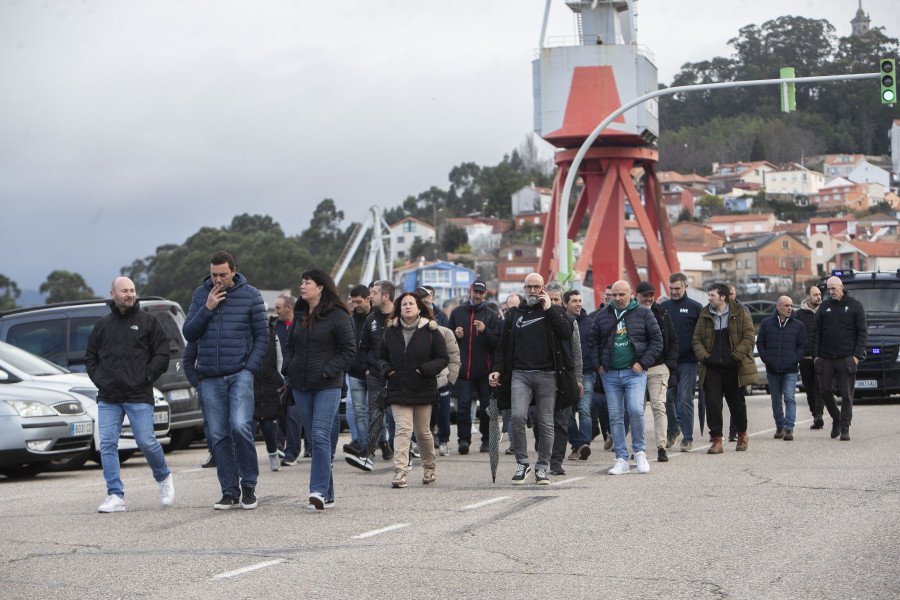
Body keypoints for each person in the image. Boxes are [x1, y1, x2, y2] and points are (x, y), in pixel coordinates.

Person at [183, 251, 268, 510]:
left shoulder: (251, 295)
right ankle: (229, 490)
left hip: (240, 373)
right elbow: (189, 332)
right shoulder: (201, 295)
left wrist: (250, 368)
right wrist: (207, 307)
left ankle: (249, 485)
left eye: (222, 274)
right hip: (210, 377)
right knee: (218, 435)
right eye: (213, 275)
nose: (217, 279)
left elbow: (263, 336)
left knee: (240, 425)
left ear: (233, 271)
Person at [85, 277, 173, 513]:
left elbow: (162, 355)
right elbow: (90, 358)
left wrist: (144, 378)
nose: (130, 294)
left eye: (132, 290)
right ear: (113, 294)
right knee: (107, 445)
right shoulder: (102, 325)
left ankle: (163, 477)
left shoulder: (148, 322)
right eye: (124, 290)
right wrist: (101, 381)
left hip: (138, 394)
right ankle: (115, 495)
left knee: (146, 441)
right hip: (109, 397)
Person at [490, 272, 575, 485]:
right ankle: (523, 463)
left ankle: (542, 467)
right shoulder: (515, 314)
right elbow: (502, 347)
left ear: (543, 288)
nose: (532, 291)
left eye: (536, 287)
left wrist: (550, 309)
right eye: (528, 287)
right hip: (520, 374)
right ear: (524, 288)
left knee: (545, 422)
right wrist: (497, 370)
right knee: (518, 417)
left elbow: (566, 333)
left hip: (547, 375)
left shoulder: (552, 312)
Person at [283, 269, 356, 509]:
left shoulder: (338, 315)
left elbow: (348, 352)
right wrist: (289, 367)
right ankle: (328, 492)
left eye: (307, 283)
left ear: (321, 287)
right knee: (315, 441)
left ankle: (317, 492)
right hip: (301, 386)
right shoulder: (301, 312)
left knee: (321, 436)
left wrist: (327, 370)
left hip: (327, 385)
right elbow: (290, 345)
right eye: (301, 282)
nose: (302, 287)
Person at [590, 280, 662, 475]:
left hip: (634, 373)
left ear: (631, 294)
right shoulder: (603, 315)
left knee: (635, 410)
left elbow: (657, 341)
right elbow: (593, 341)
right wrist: (598, 366)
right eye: (614, 295)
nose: (617, 299)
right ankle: (621, 458)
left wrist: (642, 363)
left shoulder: (644, 313)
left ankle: (639, 452)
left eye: (621, 295)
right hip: (610, 373)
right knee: (615, 416)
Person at [379, 292, 449, 487]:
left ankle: (429, 467)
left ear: (419, 308)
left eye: (411, 304)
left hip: (423, 388)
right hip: (397, 388)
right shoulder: (390, 331)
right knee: (402, 430)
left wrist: (424, 370)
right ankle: (400, 472)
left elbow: (443, 358)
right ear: (399, 308)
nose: (407, 307)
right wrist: (387, 371)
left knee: (423, 432)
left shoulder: (431, 330)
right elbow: (381, 357)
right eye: (403, 304)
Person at [692, 282, 756, 454]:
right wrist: (706, 357)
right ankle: (717, 439)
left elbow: (749, 337)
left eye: (712, 295)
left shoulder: (739, 312)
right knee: (712, 403)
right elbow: (696, 339)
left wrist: (735, 356)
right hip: (711, 368)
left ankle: (741, 434)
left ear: (723, 297)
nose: (709, 298)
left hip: (733, 367)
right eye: (709, 295)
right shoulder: (705, 314)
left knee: (737, 403)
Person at [811, 276, 867, 441]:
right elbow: (816, 332)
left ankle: (844, 427)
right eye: (829, 289)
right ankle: (835, 417)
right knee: (825, 390)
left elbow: (862, 332)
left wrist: (856, 356)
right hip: (826, 357)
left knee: (846, 394)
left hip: (846, 358)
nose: (831, 292)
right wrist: (816, 356)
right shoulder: (824, 307)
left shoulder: (855, 306)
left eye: (834, 288)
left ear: (841, 287)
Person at [349, 279, 396, 467]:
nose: (371, 296)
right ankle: (367, 455)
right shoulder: (371, 319)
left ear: (386, 296)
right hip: (375, 376)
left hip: (397, 376)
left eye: (375, 292)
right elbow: (363, 348)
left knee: (398, 418)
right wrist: (367, 369)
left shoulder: (400, 317)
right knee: (375, 415)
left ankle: (405, 452)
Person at [449, 280, 499, 454]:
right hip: (464, 371)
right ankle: (463, 440)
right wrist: (457, 336)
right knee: (462, 406)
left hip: (485, 370)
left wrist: (485, 330)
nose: (477, 295)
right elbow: (447, 342)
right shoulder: (457, 313)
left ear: (485, 294)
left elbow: (497, 343)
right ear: (469, 292)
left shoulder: (491, 315)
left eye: (481, 293)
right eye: (474, 292)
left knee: (486, 407)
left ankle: (486, 439)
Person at [413, 287, 460, 457]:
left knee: (443, 414)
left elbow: (454, 357)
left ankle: (444, 441)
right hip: (421, 382)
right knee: (420, 415)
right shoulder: (412, 335)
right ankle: (419, 441)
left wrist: (450, 379)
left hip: (442, 381)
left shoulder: (445, 332)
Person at [634, 281, 678, 463]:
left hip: (658, 367)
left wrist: (669, 365)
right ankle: (639, 448)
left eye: (651, 294)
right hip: (635, 368)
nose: (649, 298)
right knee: (637, 410)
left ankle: (661, 447)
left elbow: (673, 340)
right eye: (645, 295)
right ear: (636, 296)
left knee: (659, 406)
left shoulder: (662, 313)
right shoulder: (629, 314)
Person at [542, 281, 582, 476]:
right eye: (550, 299)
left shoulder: (570, 322)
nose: (554, 303)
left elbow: (577, 353)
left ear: (563, 302)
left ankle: (556, 462)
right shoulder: (538, 320)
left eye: (557, 299)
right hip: (541, 377)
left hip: (565, 378)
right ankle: (543, 458)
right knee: (541, 421)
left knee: (561, 422)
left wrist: (578, 379)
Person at [660, 272, 703, 452]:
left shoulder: (695, 307)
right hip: (669, 361)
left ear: (685, 287)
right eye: (671, 288)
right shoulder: (664, 307)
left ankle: (687, 437)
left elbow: (702, 334)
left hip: (688, 361)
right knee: (667, 398)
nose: (674, 291)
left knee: (685, 398)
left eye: (677, 288)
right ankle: (673, 429)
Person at [756, 296, 806, 441]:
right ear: (778, 307)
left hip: (790, 369)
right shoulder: (766, 324)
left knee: (790, 398)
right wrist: (767, 359)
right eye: (786, 305)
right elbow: (760, 343)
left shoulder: (798, 325)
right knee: (776, 400)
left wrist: (795, 360)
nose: (789, 308)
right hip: (773, 370)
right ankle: (780, 426)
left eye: (791, 305)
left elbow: (802, 345)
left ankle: (789, 428)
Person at [794, 284, 837, 430]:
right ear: (807, 297)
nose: (819, 297)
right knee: (809, 388)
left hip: (822, 358)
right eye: (815, 295)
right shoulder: (798, 315)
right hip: (805, 358)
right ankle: (815, 415)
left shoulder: (825, 311)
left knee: (820, 387)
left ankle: (819, 415)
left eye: (819, 294)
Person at [564, 288, 595, 462]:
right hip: (566, 375)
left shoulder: (589, 323)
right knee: (568, 413)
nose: (578, 304)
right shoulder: (560, 321)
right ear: (565, 303)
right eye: (574, 301)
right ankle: (575, 444)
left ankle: (584, 444)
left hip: (586, 373)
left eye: (579, 300)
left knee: (584, 410)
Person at [344, 284, 372, 459]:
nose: (355, 305)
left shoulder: (375, 318)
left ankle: (381, 442)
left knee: (375, 411)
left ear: (368, 299)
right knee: (359, 411)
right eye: (353, 302)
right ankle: (365, 447)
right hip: (354, 372)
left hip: (373, 372)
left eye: (359, 301)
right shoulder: (350, 319)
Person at [255, 317, 285, 470]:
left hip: (269, 383)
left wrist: (279, 376)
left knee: (266, 423)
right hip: (250, 383)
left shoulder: (272, 334)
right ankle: (247, 459)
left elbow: (279, 358)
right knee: (247, 424)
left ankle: (273, 453)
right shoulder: (244, 332)